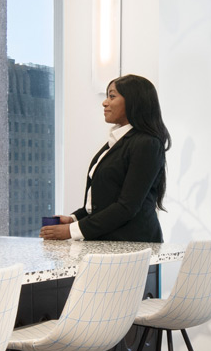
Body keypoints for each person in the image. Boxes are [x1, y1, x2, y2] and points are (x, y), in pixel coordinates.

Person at [42, 74, 168, 243]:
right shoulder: (116, 142)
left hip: (133, 245)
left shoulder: (147, 144)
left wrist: (71, 231)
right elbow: (103, 202)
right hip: (107, 244)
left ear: (133, 101)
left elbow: (126, 207)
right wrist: (73, 219)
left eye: (112, 96)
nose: (105, 102)